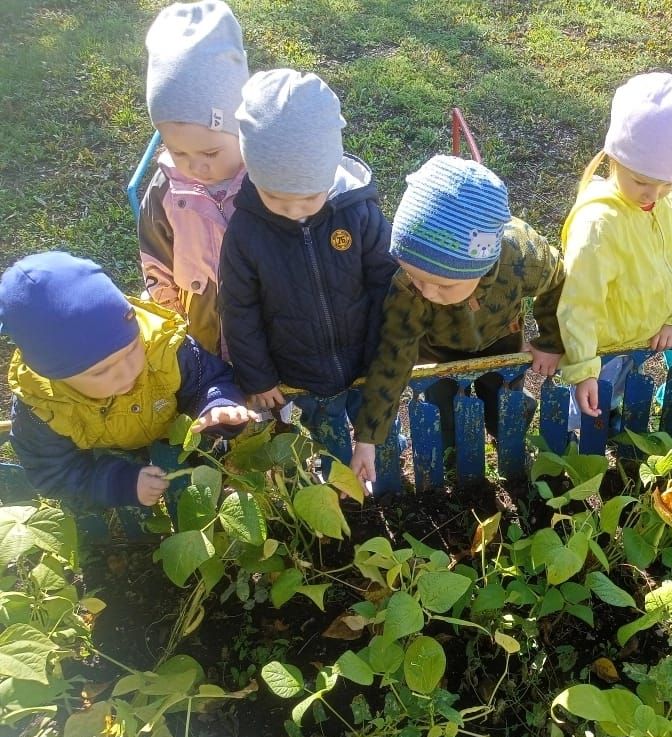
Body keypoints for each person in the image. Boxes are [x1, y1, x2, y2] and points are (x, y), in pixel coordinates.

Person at [349, 156, 565, 488]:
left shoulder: (521, 255)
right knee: (442, 414)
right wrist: (368, 437)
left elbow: (558, 281)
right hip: (437, 353)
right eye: (416, 277)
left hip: (500, 341)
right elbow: (393, 356)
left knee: (503, 405)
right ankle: (452, 469)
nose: (428, 293)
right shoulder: (409, 290)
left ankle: (512, 452)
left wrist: (550, 341)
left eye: (443, 284)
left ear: (481, 264)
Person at [219, 68, 397, 465]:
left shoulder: (357, 213)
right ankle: (336, 490)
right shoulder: (246, 230)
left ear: (329, 170)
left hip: (366, 360)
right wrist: (259, 375)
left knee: (381, 434)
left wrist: (385, 353)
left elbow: (386, 282)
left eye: (308, 198)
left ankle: (386, 481)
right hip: (300, 367)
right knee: (325, 437)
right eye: (276, 198)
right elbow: (237, 308)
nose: (293, 211)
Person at [2, 251, 254, 508]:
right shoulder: (41, 408)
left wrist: (219, 404)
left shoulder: (164, 346)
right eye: (101, 372)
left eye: (132, 349)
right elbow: (52, 474)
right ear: (54, 375)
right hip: (109, 451)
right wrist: (118, 484)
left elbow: (209, 378)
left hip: (172, 428)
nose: (127, 371)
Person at [557, 72, 672, 428]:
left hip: (639, 341)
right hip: (601, 348)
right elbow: (579, 301)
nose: (652, 194)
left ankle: (610, 417)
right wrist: (583, 369)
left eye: (668, 183)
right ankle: (573, 448)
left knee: (614, 396)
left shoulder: (667, 209)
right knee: (584, 414)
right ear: (614, 158)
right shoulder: (599, 225)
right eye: (641, 181)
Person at [139, 0, 249, 355]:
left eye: (211, 153)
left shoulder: (265, 181)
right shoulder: (164, 191)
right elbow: (156, 262)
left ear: (241, 128)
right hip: (201, 329)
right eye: (179, 152)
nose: (195, 167)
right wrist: (172, 325)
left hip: (264, 331)